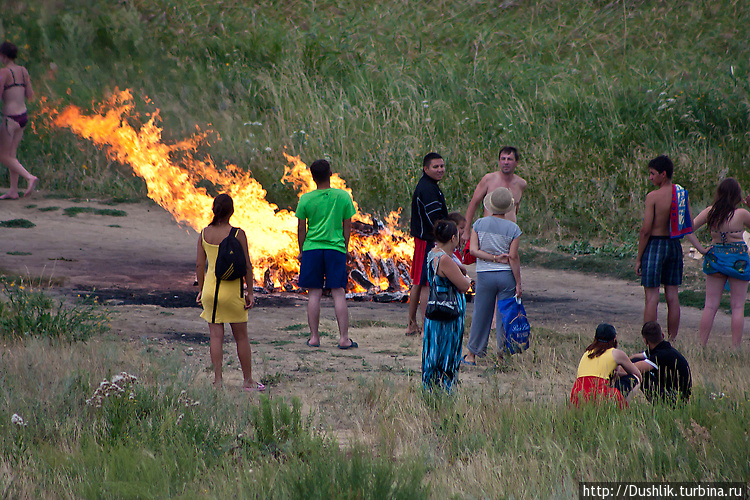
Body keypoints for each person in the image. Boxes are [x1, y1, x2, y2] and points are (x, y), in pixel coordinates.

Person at [196, 194, 264, 391]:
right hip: (233, 293)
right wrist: (250, 292)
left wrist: (201, 290)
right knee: (241, 337)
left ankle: (218, 381)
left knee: (216, 337)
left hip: (211, 292)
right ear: (232, 211)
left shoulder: (204, 234)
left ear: (214, 210)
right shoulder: (237, 234)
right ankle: (247, 380)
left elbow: (200, 265)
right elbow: (247, 266)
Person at [296, 159, 357, 349]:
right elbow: (347, 225)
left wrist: (301, 250)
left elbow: (301, 228)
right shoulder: (343, 196)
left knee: (314, 293)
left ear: (312, 177)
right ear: (330, 174)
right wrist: (344, 247)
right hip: (335, 249)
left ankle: (314, 337)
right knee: (338, 292)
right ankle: (344, 338)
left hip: (312, 249)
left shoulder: (305, 199)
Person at [686, 178, 750, 348]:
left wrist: (701, 249)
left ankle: (701, 345)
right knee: (738, 307)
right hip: (738, 259)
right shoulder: (742, 214)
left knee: (710, 305)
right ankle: (735, 348)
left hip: (715, 257)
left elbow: (688, 229)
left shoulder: (710, 212)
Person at [462, 187, 522, 365]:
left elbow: (473, 251)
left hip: (485, 275)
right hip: (506, 275)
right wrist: (518, 283)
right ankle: (502, 356)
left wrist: (493, 258)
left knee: (481, 314)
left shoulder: (479, 224)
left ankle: (472, 354)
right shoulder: (514, 229)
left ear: (490, 205)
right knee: (505, 315)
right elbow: (513, 257)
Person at [635, 155, 691, 340]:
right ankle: (672, 340)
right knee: (672, 296)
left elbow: (645, 230)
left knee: (652, 297)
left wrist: (638, 258)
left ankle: (650, 340)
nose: (650, 177)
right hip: (674, 245)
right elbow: (688, 224)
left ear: (663, 174)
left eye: (653, 174)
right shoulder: (681, 195)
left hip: (655, 245)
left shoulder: (653, 197)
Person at [422, 220, 472, 392]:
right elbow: (464, 285)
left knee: (433, 351)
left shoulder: (433, 253)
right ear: (452, 238)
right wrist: (468, 280)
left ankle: (430, 389)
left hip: (435, 310)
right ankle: (445, 391)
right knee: (447, 353)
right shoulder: (445, 260)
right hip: (449, 314)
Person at [406, 152, 448, 336]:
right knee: (425, 283)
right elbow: (435, 220)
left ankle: (411, 325)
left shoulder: (429, 185)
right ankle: (425, 328)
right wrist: (446, 236)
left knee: (418, 282)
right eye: (435, 167)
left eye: (442, 166)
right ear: (426, 169)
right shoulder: (428, 189)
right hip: (427, 241)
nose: (440, 170)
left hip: (422, 240)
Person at [614, 322, 691, 404]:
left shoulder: (662, 355)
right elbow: (636, 357)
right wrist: (623, 362)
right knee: (635, 361)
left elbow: (634, 368)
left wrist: (614, 371)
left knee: (640, 373)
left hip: (676, 400)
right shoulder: (664, 348)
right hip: (677, 394)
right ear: (662, 335)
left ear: (645, 341)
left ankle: (617, 397)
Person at [462, 146, 527, 242]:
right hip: (488, 232)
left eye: (509, 159)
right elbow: (473, 204)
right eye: (503, 159)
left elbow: (515, 207)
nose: (506, 162)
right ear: (499, 161)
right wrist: (466, 230)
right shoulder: (488, 179)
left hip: (508, 234)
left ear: (516, 162)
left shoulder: (521, 184)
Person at [570, 323, 641, 407]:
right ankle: (622, 408)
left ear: (595, 338)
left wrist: (614, 374)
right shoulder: (616, 353)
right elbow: (638, 374)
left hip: (577, 395)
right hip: (599, 395)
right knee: (635, 379)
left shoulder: (587, 353)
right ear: (614, 339)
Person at [0, 41, 37, 199]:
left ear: (3, 56)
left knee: (2, 156)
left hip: (10, 118)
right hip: (23, 116)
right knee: (11, 155)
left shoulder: (4, 72)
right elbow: (30, 95)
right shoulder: (23, 71)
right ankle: (13, 190)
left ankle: (29, 177)